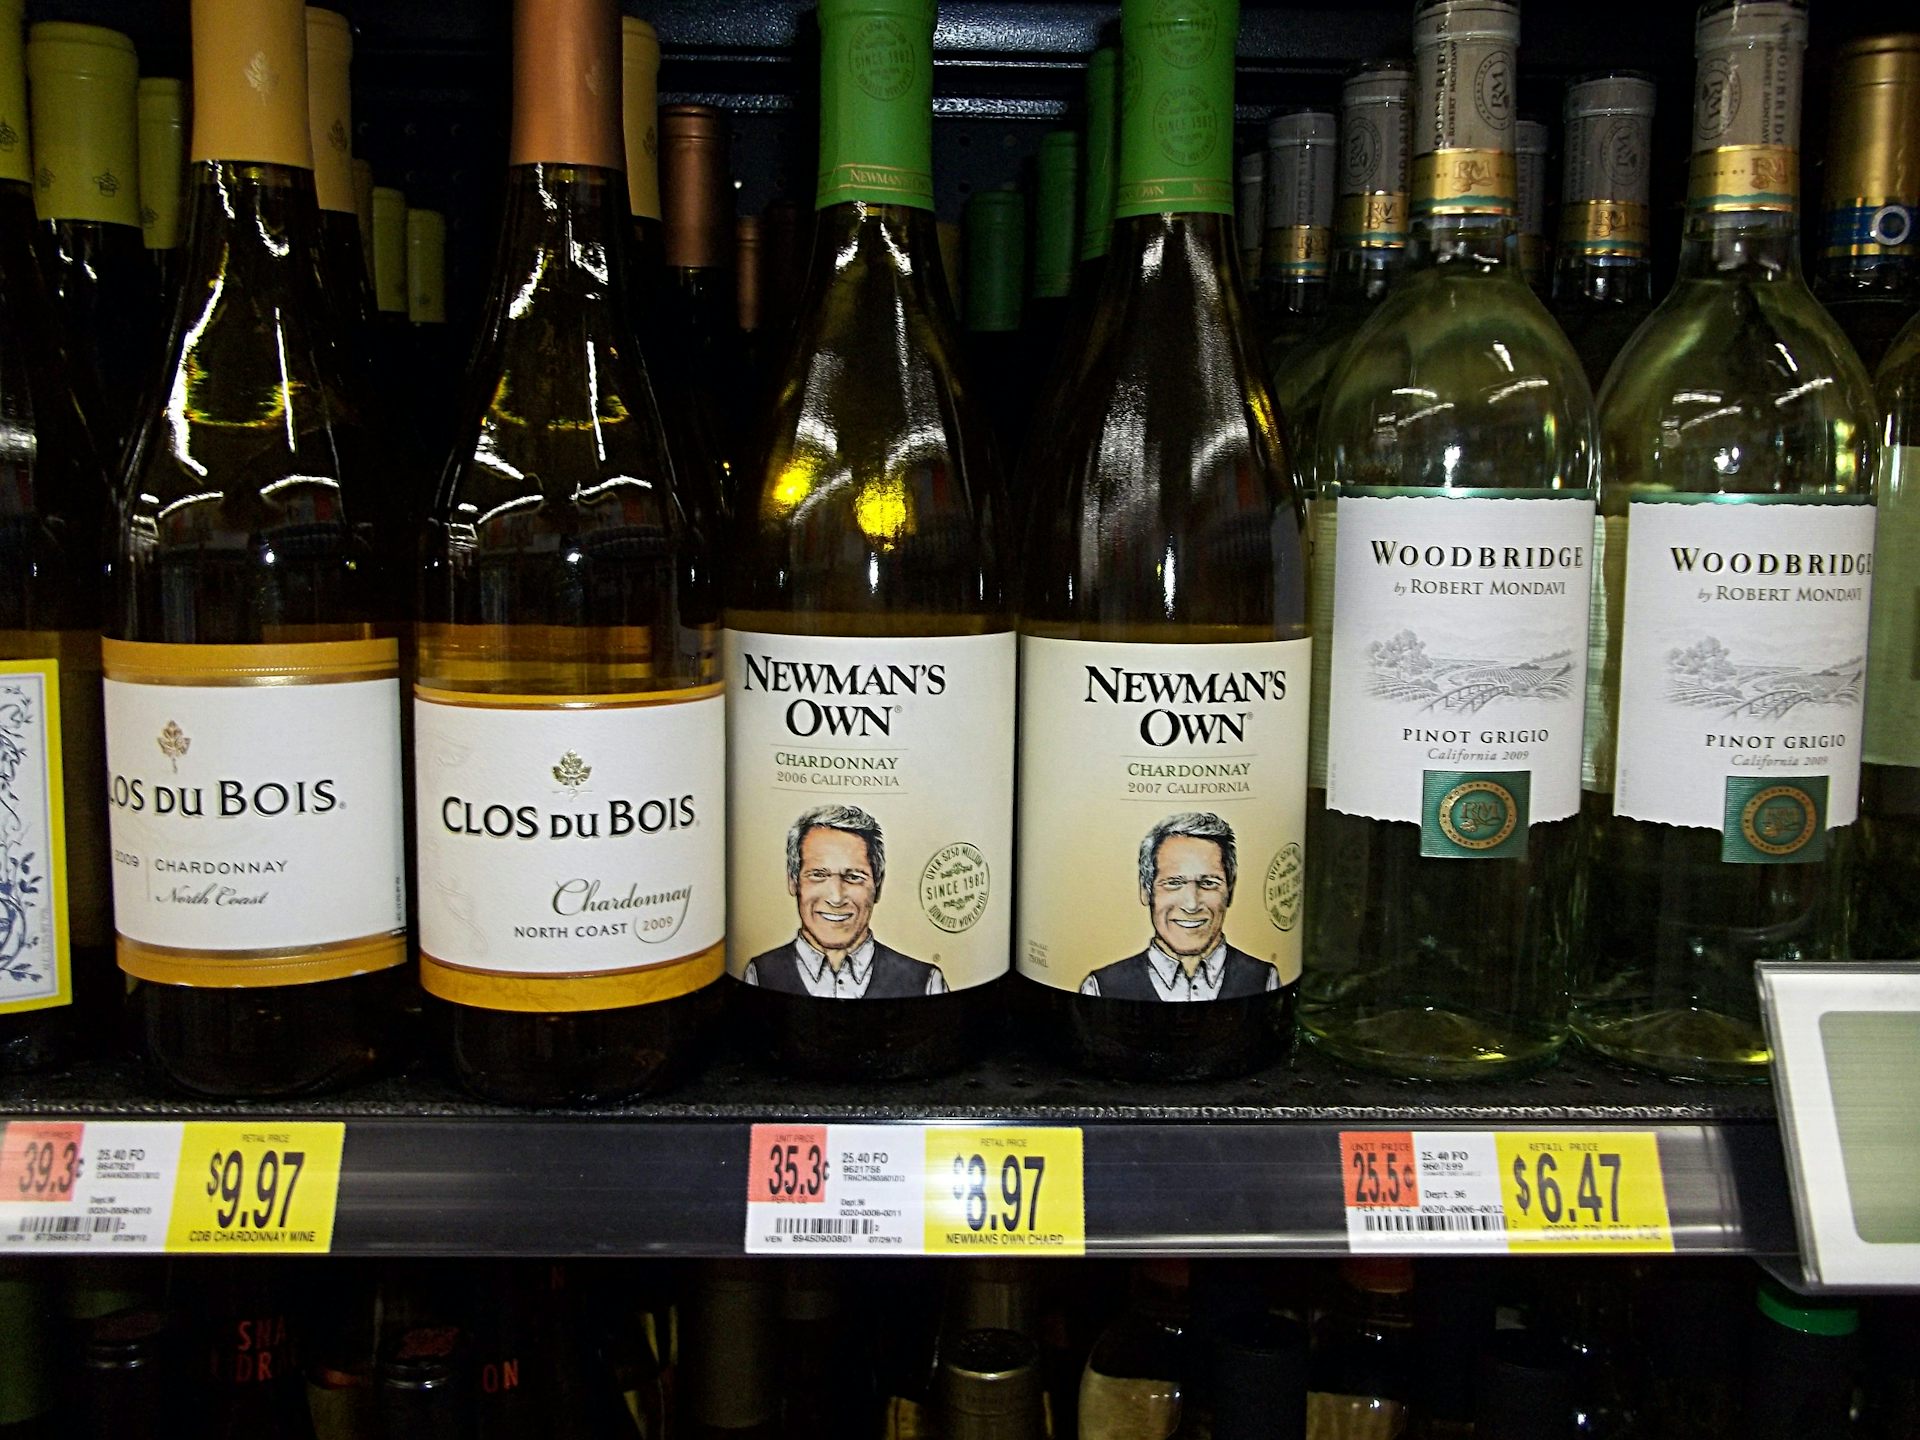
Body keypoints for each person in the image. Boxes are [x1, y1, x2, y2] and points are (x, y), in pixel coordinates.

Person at [743, 804, 947, 998]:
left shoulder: (926, 982)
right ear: (793, 882)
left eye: (854, 877)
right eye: (818, 875)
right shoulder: (758, 975)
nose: (836, 897)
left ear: (878, 885)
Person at [1080, 811, 1279, 1001]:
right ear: (1146, 891)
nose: (1191, 905)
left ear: (1230, 890)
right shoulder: (1099, 987)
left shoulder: (1266, 980)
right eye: (1173, 883)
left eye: (1209, 883)